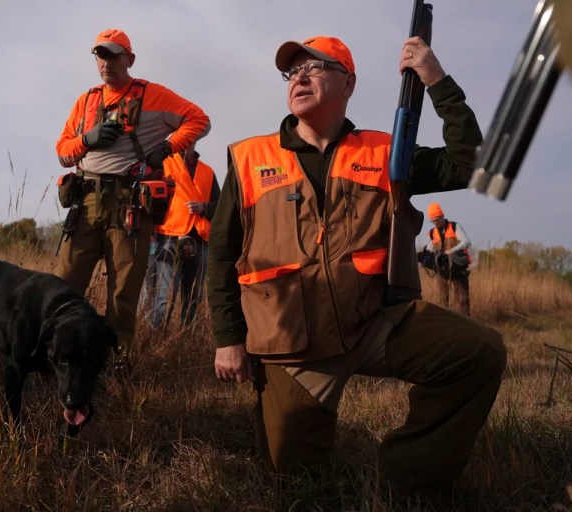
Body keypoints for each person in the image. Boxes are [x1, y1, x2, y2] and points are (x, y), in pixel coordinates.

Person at [207, 35, 507, 504]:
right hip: (292, 347)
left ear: (347, 82)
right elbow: (222, 254)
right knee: (297, 485)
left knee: (479, 352)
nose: (299, 77)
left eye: (315, 67)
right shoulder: (249, 159)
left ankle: (410, 480)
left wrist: (436, 79)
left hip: (374, 323)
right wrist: (228, 339)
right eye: (292, 72)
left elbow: (470, 163)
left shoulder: (386, 152)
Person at [55, 29, 210, 360]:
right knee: (64, 286)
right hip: (86, 200)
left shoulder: (153, 94)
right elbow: (63, 152)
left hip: (130, 205)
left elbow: (200, 120)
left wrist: (167, 148)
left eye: (113, 55)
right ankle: (59, 357)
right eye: (100, 55)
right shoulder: (85, 100)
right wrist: (88, 140)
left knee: (123, 293)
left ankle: (115, 363)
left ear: (130, 60)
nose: (106, 62)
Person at [142, 143, 220, 329]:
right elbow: (146, 197)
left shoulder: (207, 171)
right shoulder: (162, 164)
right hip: (167, 237)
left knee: (194, 296)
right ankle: (154, 341)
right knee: (162, 296)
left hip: (200, 240)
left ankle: (186, 341)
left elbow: (221, 205)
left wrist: (204, 208)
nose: (189, 138)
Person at [424, 202, 472, 315]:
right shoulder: (432, 233)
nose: (436, 223)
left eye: (437, 219)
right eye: (433, 221)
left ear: (442, 216)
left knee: (462, 300)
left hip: (457, 268)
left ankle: (466, 326)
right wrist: (425, 258)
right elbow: (429, 250)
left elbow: (467, 242)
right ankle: (445, 324)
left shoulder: (454, 227)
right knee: (442, 301)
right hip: (441, 271)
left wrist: (451, 251)